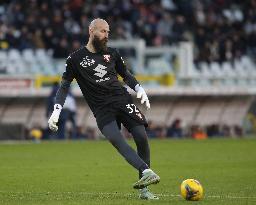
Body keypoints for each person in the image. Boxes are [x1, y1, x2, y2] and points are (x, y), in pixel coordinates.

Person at [48, 18, 160, 200]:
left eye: (108, 32)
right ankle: (145, 171)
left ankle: (144, 190)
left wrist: (139, 89)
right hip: (102, 109)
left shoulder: (112, 54)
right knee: (118, 141)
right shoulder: (75, 59)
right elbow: (64, 86)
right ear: (91, 31)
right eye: (103, 31)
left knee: (141, 137)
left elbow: (126, 75)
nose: (107, 35)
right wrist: (57, 110)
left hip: (122, 100)